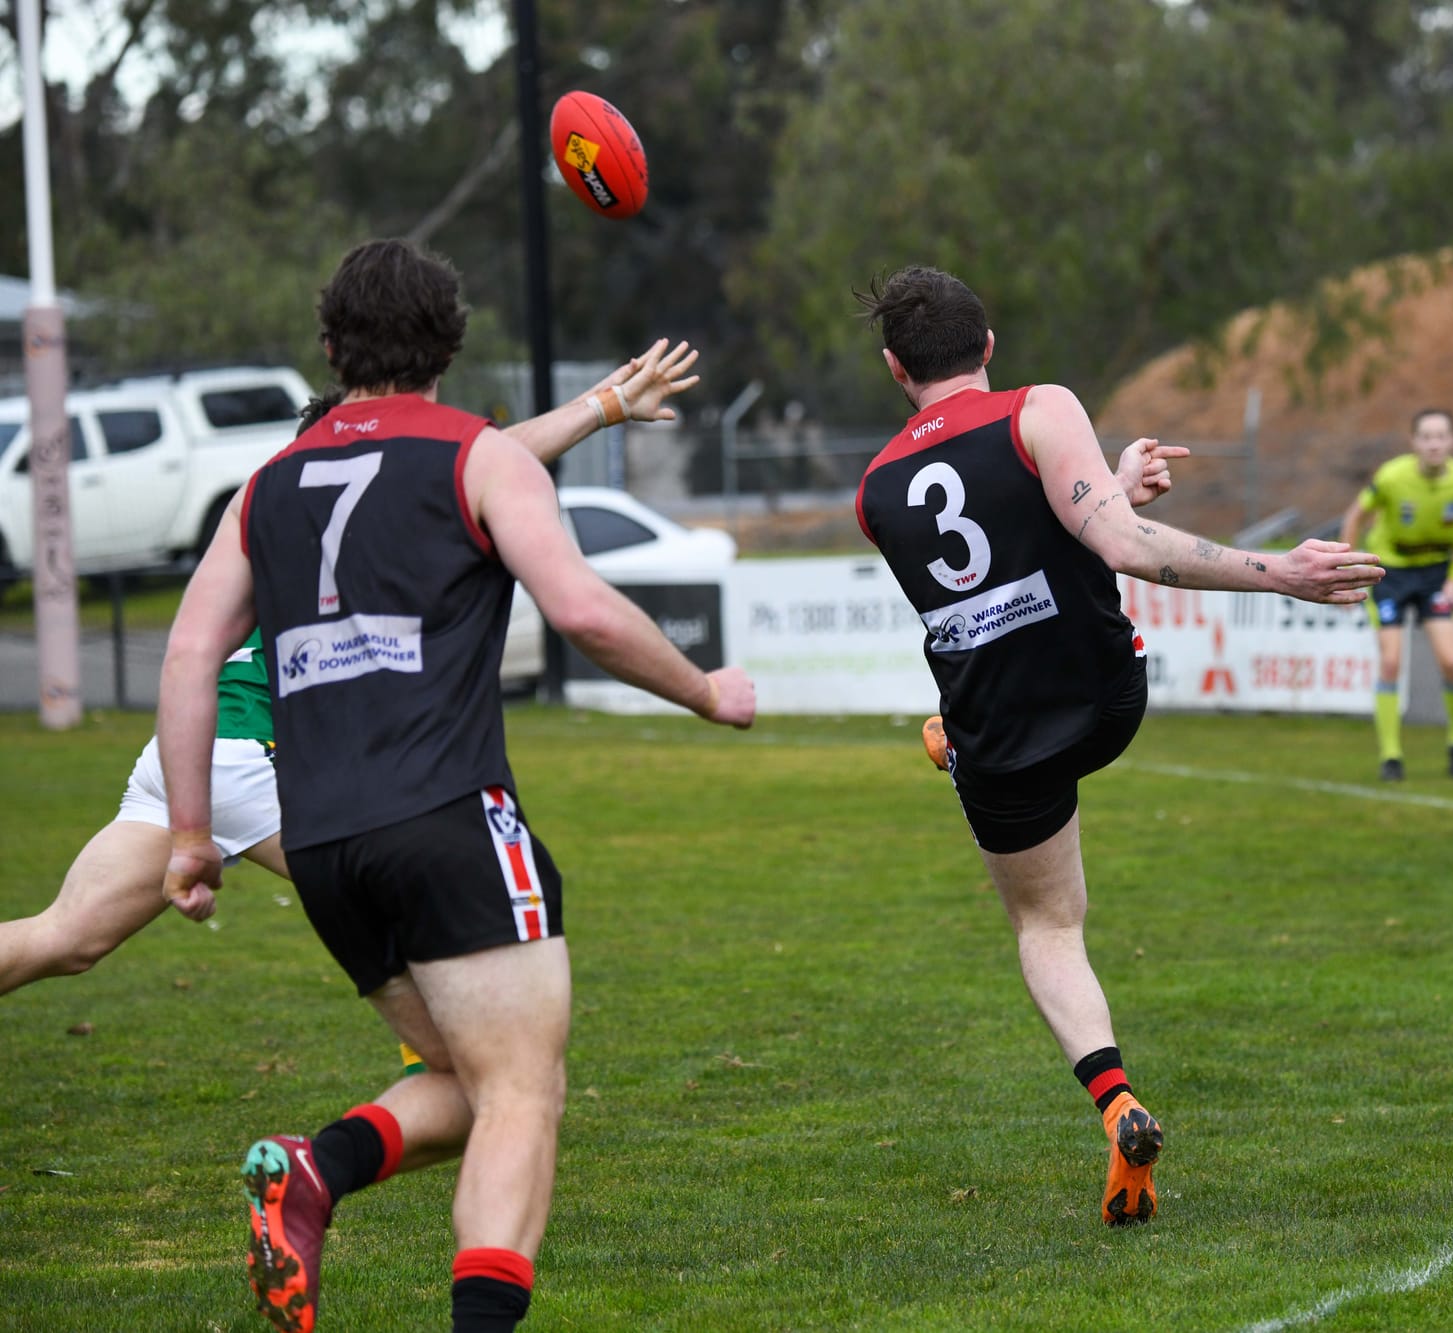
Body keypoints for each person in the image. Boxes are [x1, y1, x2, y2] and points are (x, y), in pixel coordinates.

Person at [158, 239, 756, 1333]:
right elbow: (581, 610)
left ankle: (317, 1170)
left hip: (324, 844)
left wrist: (191, 833)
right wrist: (705, 690)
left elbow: (192, 652)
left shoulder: (267, 487)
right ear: (449, 346)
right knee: (523, 1089)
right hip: (447, 819)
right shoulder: (478, 455)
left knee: (474, 1080)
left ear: (330, 348)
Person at [854, 266, 1382, 1226]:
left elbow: (991, 554)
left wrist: (1107, 491)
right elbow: (1118, 546)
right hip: (1103, 699)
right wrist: (1281, 571)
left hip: (1001, 729)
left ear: (896, 368)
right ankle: (1124, 1118)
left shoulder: (875, 489)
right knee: (999, 763)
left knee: (1047, 926)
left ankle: (1113, 1094)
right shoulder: (1040, 407)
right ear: (988, 344)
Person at [0, 338, 702, 1001]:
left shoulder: (279, 509)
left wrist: (605, 406)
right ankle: (429, 1089)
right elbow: (484, 462)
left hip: (186, 755)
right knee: (412, 928)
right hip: (249, 753)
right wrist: (603, 407)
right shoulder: (372, 505)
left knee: (67, 937)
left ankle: (447, 1079)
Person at [1337, 409, 1453, 782]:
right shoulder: (1391, 476)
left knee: (1452, 661)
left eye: (1441, 436)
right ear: (1414, 441)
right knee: (1390, 662)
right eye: (1426, 436)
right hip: (1391, 572)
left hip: (1436, 573)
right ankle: (1391, 757)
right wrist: (1349, 568)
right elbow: (1354, 516)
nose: (1434, 444)